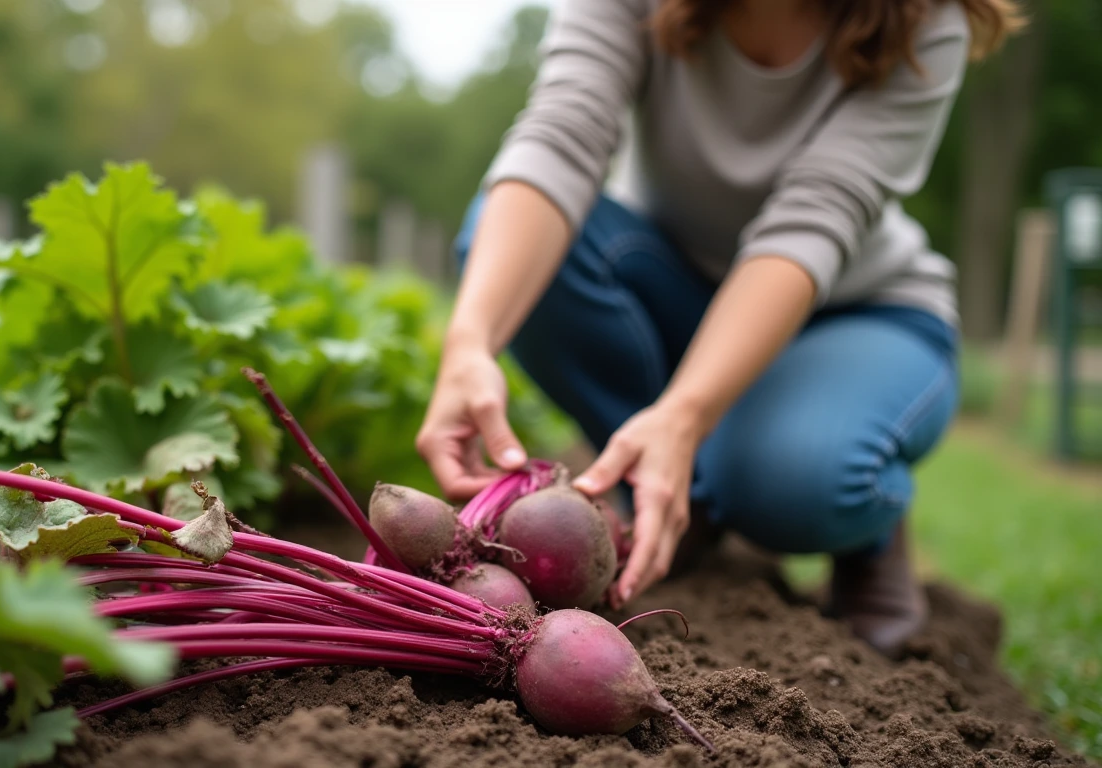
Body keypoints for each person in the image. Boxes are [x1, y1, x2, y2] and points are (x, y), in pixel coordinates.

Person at [415, 0, 1022, 656]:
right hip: (675, 287)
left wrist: (687, 411)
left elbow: (813, 219)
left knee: (797, 480)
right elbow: (562, 135)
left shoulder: (924, 21)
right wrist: (469, 340)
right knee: (504, 242)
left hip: (857, 313)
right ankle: (685, 498)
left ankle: (862, 526)